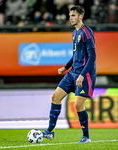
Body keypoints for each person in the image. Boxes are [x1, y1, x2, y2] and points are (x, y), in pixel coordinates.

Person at [42, 5, 96, 143]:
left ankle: (86, 136)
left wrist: (82, 75)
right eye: (70, 15)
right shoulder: (74, 33)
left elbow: (92, 57)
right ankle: (50, 132)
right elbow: (76, 55)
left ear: (80, 16)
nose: (70, 18)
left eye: (73, 15)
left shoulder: (87, 33)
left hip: (85, 74)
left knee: (78, 105)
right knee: (55, 97)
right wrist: (65, 67)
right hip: (72, 73)